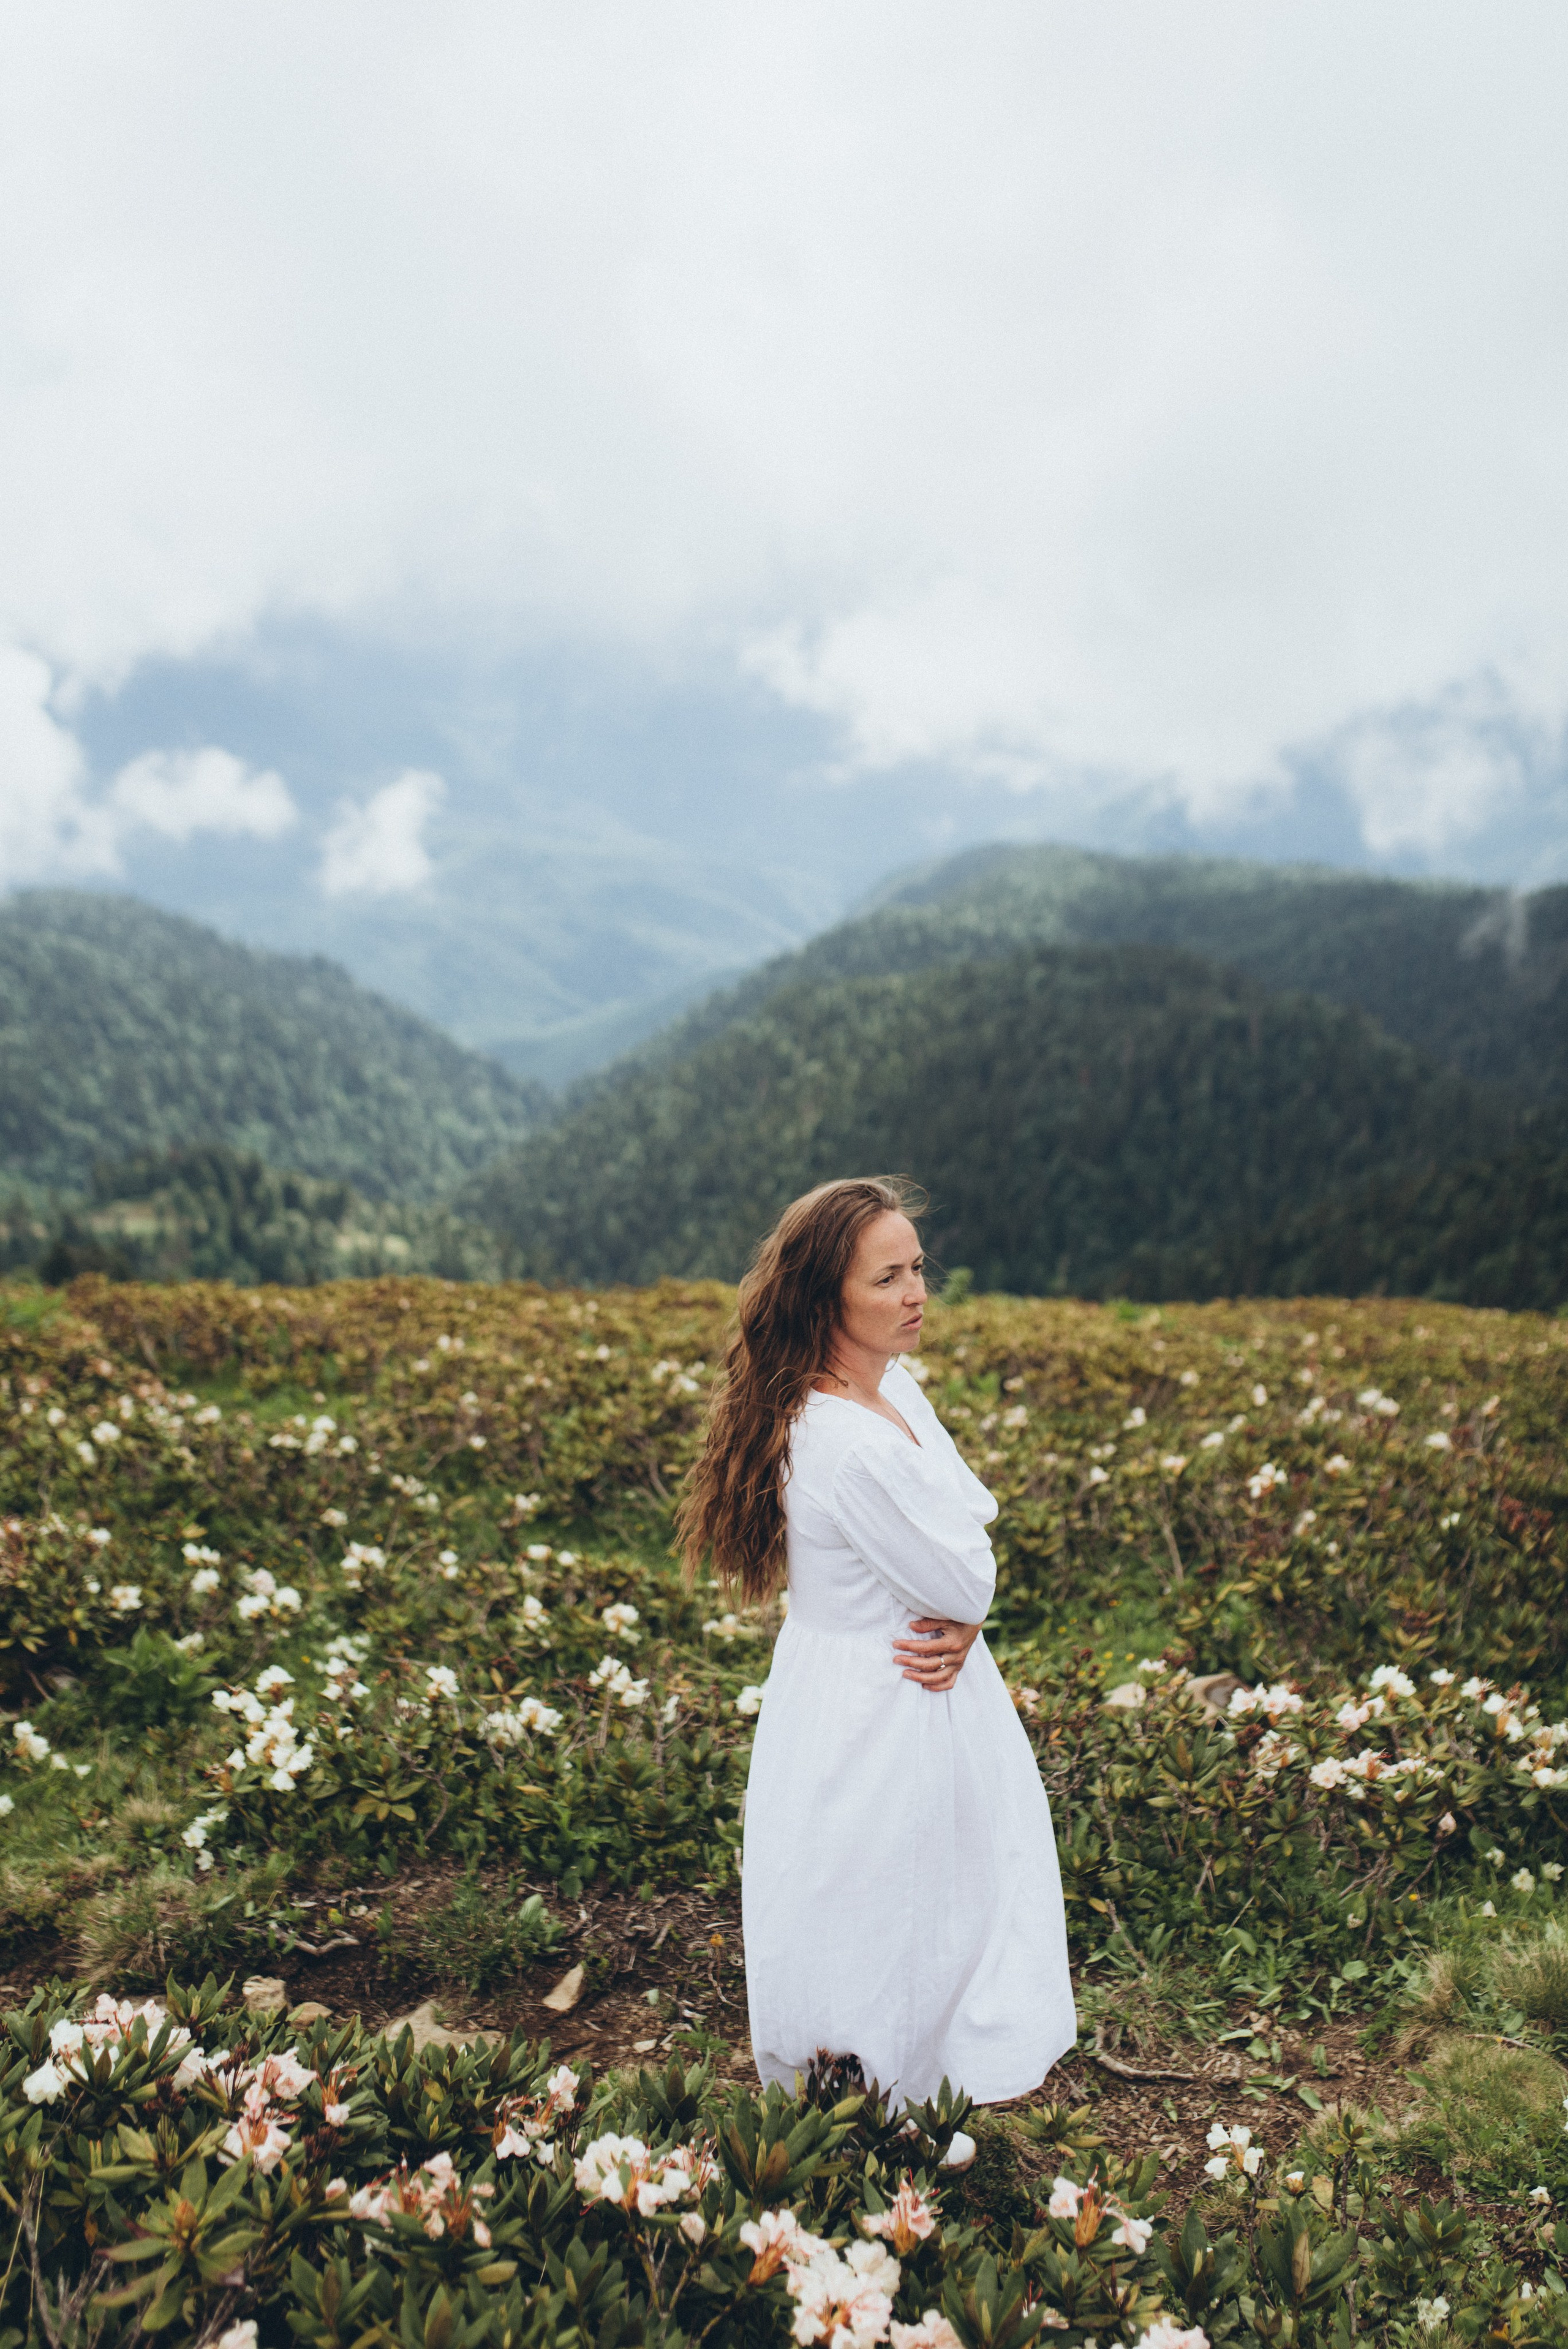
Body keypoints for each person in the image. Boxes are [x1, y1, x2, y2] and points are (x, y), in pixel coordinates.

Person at [677, 1175, 1075, 2163]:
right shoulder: (847, 1442)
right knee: (876, 1891)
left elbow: (964, 1526)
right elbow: (966, 1565)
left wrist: (965, 1603)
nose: (916, 1293)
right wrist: (967, 1605)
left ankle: (890, 2094)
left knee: (905, 1888)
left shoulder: (887, 1387)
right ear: (828, 1300)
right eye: (887, 1278)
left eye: (917, 1269)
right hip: (880, 1695)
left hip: (889, 1679)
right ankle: (869, 2109)